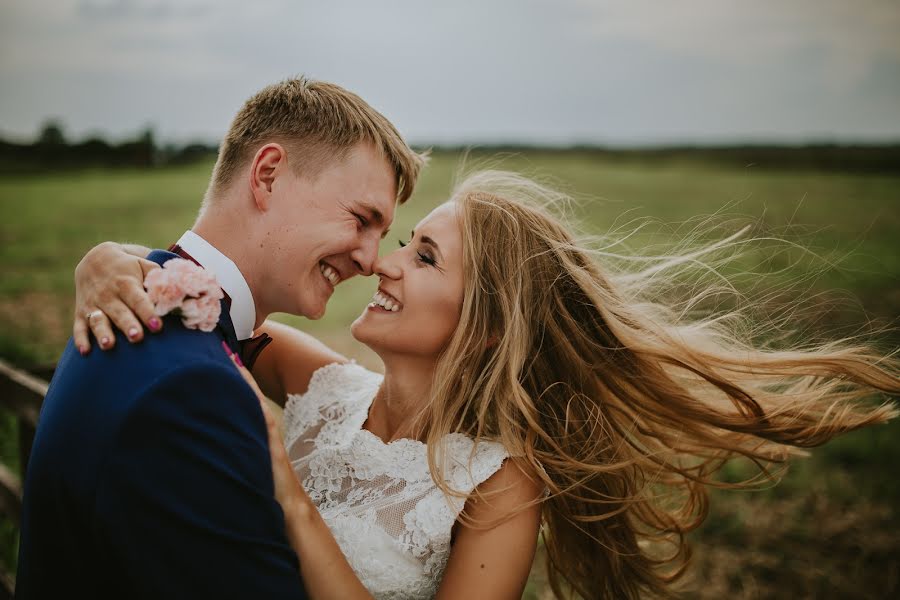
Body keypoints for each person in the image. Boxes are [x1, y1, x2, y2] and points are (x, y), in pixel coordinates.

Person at [73, 169, 899, 599]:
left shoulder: (502, 482)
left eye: (424, 257)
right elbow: (197, 296)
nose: (382, 263)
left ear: (490, 324)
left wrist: (288, 498)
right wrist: (106, 263)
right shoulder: (316, 382)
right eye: (404, 240)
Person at [15, 77, 425, 599]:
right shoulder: (191, 387)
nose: (371, 260)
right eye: (362, 219)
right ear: (269, 174)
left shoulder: (148, 304)